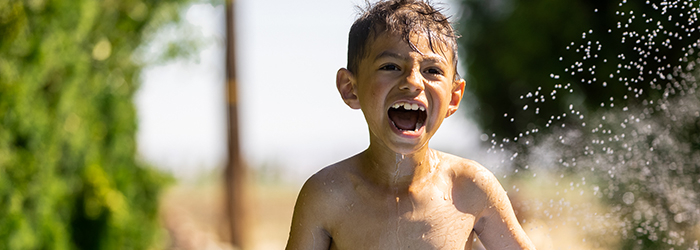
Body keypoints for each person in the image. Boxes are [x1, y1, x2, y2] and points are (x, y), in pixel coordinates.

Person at [286, 0, 535, 249]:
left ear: (453, 97)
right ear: (350, 88)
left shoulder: (470, 188)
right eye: (390, 66)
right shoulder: (328, 195)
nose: (413, 81)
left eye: (432, 71)